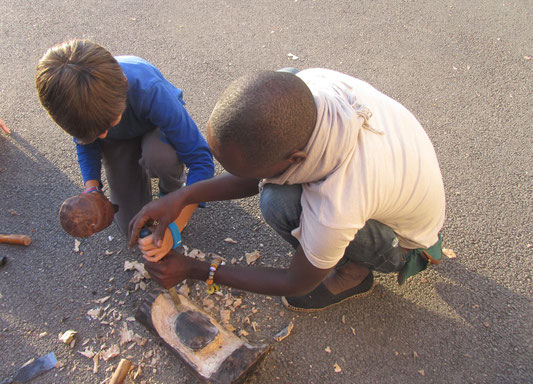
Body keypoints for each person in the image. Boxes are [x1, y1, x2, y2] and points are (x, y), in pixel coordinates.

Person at [129, 68, 446, 312]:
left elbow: (295, 282)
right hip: (400, 177)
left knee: (277, 202)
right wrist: (182, 196)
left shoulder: (339, 199)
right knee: (275, 191)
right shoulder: (303, 86)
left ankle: (355, 275)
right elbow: (254, 175)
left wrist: (196, 269)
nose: (235, 174)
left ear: (296, 160)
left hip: (404, 245)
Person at [36, 39, 215, 257]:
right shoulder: (74, 107)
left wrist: (174, 225)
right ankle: (149, 196)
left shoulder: (151, 91)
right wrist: (91, 190)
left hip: (153, 128)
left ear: (123, 83)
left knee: (161, 157)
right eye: (93, 132)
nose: (101, 136)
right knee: (131, 223)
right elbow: (86, 144)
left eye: (105, 126)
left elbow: (201, 160)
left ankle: (171, 192)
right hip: (119, 139)